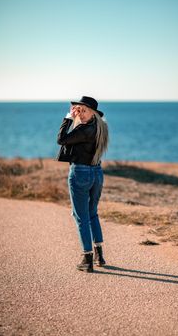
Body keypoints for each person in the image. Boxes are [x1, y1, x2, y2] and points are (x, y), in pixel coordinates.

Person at [56, 96, 109, 273]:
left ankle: (87, 260)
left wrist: (68, 118)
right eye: (79, 110)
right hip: (96, 172)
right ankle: (99, 255)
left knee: (81, 217)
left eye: (84, 110)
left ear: (93, 113)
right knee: (92, 213)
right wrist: (76, 118)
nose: (80, 113)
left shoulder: (85, 130)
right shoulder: (99, 127)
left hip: (81, 173)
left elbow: (61, 139)